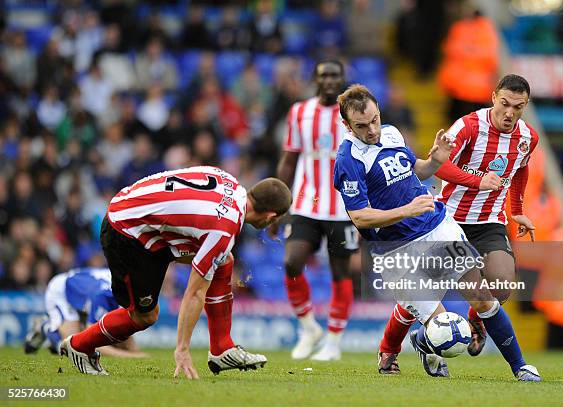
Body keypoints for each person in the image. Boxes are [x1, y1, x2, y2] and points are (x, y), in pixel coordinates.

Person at [333, 84, 541, 381]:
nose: (372, 130)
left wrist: (436, 160)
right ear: (347, 125)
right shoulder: (348, 160)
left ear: (379, 112)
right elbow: (359, 216)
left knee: (483, 298)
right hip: (396, 250)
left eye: (374, 120)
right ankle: (422, 341)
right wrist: (406, 210)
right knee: (441, 324)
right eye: (362, 126)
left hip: (436, 227)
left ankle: (520, 367)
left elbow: (415, 171)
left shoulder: (391, 133)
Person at [59, 166, 292, 376]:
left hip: (144, 219)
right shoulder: (224, 229)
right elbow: (194, 293)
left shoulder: (227, 179)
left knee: (223, 259)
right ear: (272, 216)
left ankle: (222, 349)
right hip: (127, 231)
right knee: (144, 316)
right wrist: (182, 349)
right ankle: (79, 346)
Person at [434, 74, 539, 357]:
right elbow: (438, 166)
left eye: (518, 107)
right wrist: (478, 181)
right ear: (493, 97)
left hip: (490, 220)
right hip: (450, 221)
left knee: (503, 287)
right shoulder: (468, 127)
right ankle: (389, 350)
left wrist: (517, 212)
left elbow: (521, 168)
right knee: (424, 293)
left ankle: (477, 320)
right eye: (505, 104)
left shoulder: (528, 137)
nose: (510, 112)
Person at [274, 60, 358, 361]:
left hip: (344, 209)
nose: (330, 80)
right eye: (324, 76)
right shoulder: (300, 111)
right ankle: (309, 327)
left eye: (336, 75)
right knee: (291, 262)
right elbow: (289, 160)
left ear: (343, 79)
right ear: (315, 79)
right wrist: (278, 206)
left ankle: (334, 341)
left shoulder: (354, 113)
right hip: (306, 204)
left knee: (340, 273)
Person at [24, 267, 145, 358]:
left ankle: (55, 332)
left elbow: (125, 331)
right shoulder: (104, 296)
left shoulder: (121, 282)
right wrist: (131, 356)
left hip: (80, 288)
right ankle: (47, 326)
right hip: (62, 291)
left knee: (112, 335)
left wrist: (136, 352)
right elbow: (93, 341)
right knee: (73, 347)